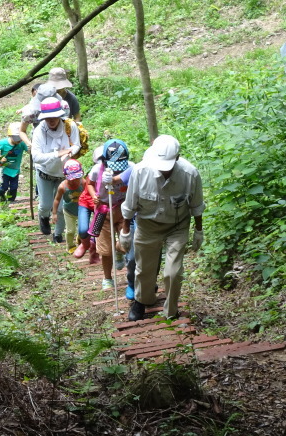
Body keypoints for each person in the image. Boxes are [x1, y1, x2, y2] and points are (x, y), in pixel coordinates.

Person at [120, 135, 204, 321]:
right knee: (144, 268)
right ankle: (142, 301)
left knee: (173, 272)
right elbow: (130, 204)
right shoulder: (141, 171)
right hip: (147, 224)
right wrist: (125, 231)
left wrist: (199, 230)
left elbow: (196, 205)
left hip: (177, 225)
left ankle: (171, 310)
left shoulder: (190, 174)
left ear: (178, 157)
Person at [87, 138, 133, 291]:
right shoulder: (96, 170)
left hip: (123, 209)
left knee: (127, 242)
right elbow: (89, 184)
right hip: (103, 211)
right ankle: (107, 278)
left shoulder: (131, 168)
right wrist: (94, 196)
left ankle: (119, 251)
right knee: (105, 249)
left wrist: (116, 179)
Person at [31, 97, 80, 241]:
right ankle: (44, 217)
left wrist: (70, 151)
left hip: (63, 174)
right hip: (44, 173)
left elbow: (76, 144)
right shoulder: (39, 131)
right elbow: (36, 157)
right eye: (48, 117)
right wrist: (57, 154)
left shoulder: (70, 126)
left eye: (54, 117)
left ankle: (58, 234)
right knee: (45, 205)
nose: (51, 120)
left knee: (60, 207)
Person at [74, 145, 103, 264]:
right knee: (83, 229)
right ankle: (85, 244)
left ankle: (94, 250)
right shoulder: (93, 171)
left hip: (101, 205)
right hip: (86, 201)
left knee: (97, 230)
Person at [52, 159, 86, 252]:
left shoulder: (83, 183)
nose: (74, 181)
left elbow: (88, 194)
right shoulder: (62, 187)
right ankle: (70, 245)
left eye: (77, 178)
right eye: (72, 179)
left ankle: (80, 240)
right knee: (70, 231)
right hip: (68, 211)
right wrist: (54, 213)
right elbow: (56, 200)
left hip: (82, 210)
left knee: (83, 229)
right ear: (66, 176)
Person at [0, 122, 28, 203]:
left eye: (20, 138)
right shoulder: (4, 143)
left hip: (15, 170)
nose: (18, 140)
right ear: (10, 135)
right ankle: (0, 195)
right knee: (3, 187)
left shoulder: (22, 144)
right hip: (4, 169)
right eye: (16, 138)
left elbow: (28, 150)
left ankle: (11, 201)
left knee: (14, 187)